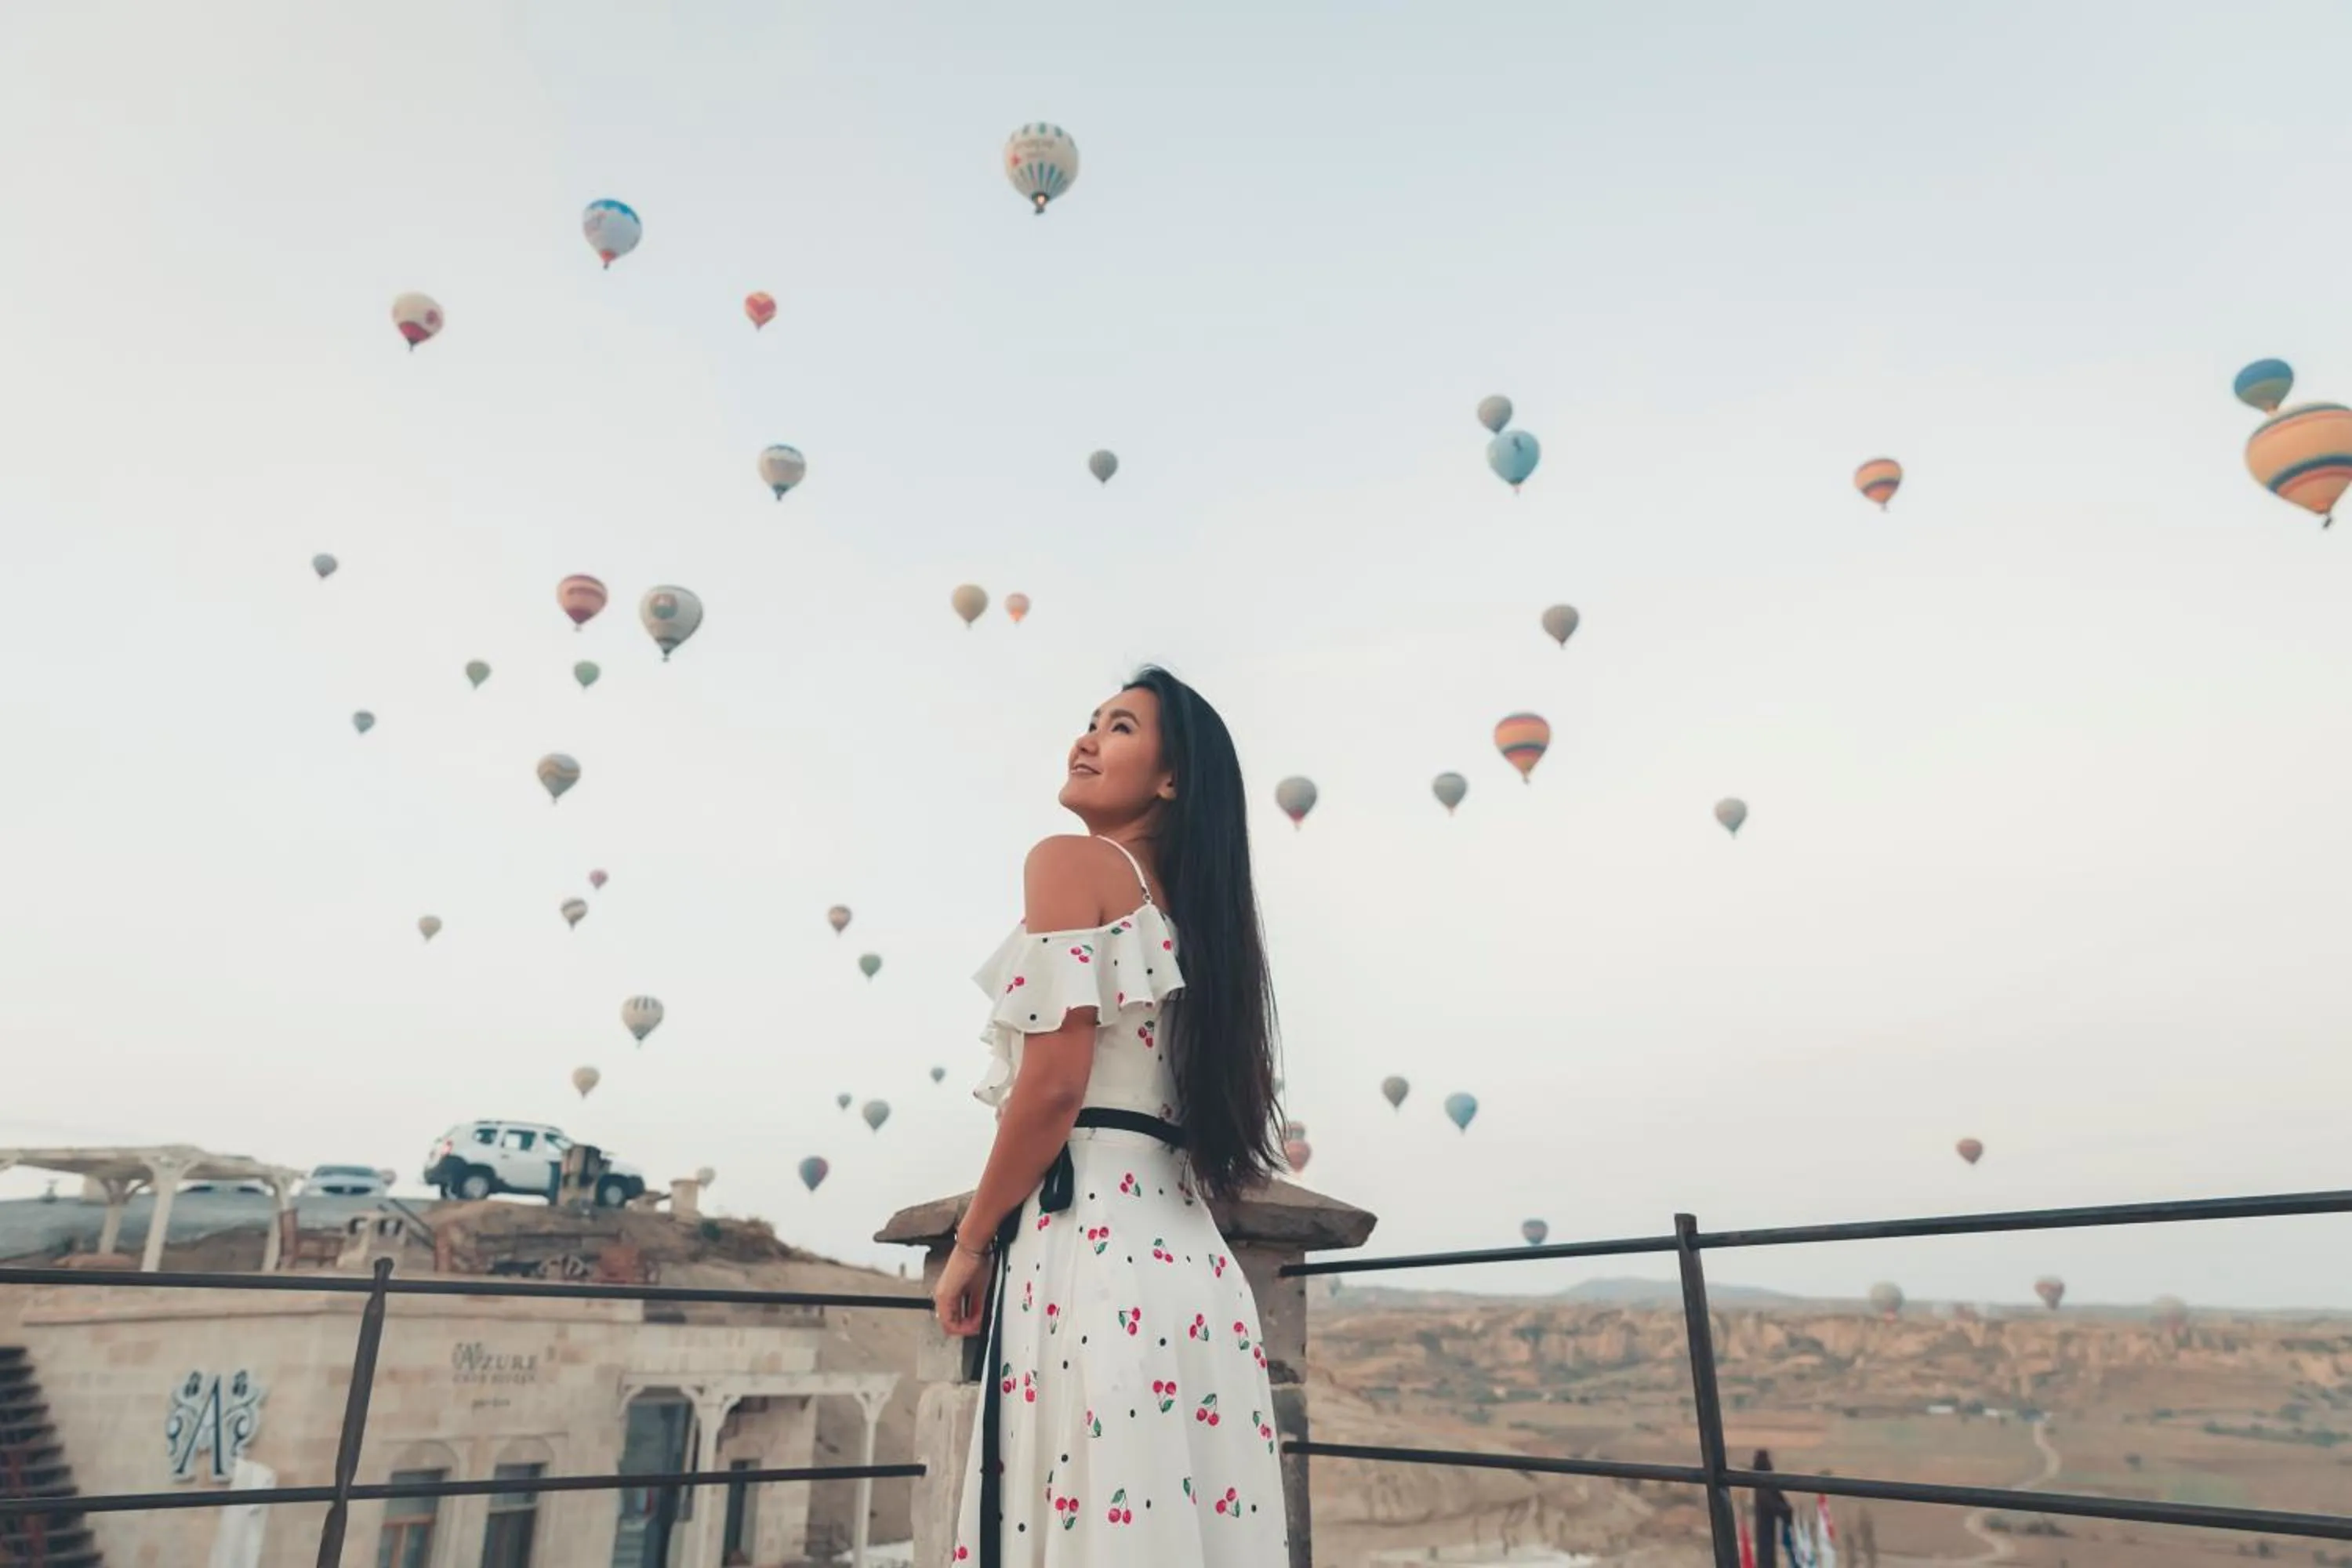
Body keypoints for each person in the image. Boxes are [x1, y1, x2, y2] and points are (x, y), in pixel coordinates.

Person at [934, 666, 1289, 1566]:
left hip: (1088, 1251)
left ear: (1172, 777)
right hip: (1191, 1272)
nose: (1085, 739)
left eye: (1120, 726)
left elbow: (1052, 1086)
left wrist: (973, 1242)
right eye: (1089, 721)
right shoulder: (1204, 925)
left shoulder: (1072, 860)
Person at [1751, 1450, 1792, 1568]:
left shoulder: (1765, 1484)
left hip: (1767, 1530)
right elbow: (1774, 1503)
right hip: (1765, 1531)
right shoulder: (1762, 1488)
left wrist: (1786, 1510)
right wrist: (1785, 1511)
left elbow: (1777, 1497)